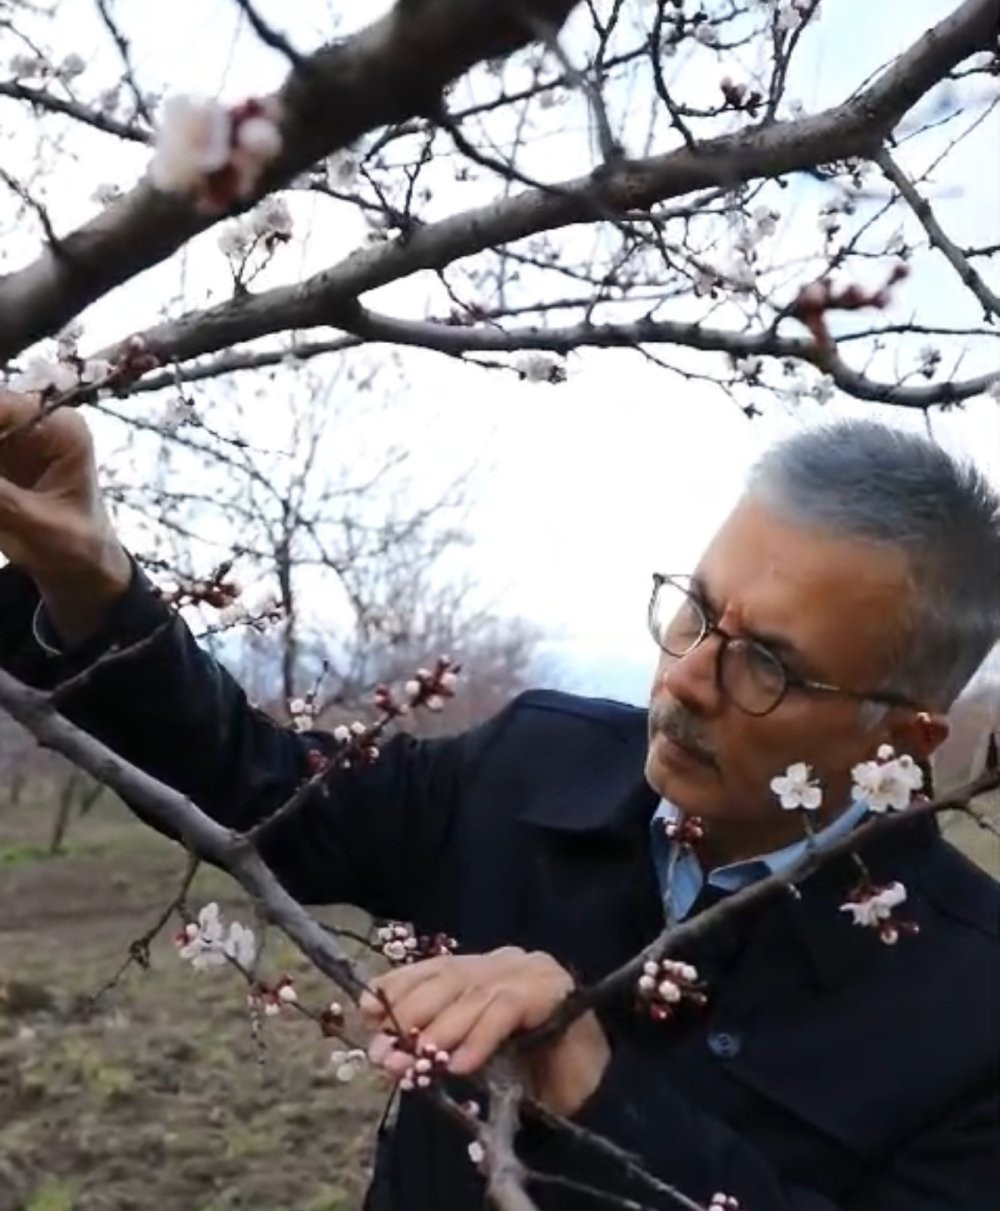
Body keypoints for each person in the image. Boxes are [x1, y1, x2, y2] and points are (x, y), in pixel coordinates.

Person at [0, 386, 997, 1211]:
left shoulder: (971, 1010)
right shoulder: (534, 766)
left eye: (768, 665)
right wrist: (89, 581)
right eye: (692, 609)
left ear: (900, 735)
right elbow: (262, 786)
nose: (687, 677)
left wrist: (596, 1092)